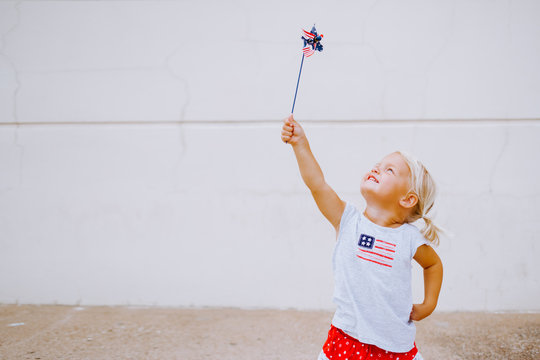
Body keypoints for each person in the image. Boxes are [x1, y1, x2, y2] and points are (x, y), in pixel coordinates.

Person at [280, 115, 443, 360]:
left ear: (408, 199)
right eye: (378, 164)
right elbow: (317, 184)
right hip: (348, 337)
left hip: (394, 346)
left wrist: (429, 304)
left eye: (389, 170)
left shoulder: (409, 237)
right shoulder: (348, 220)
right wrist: (300, 143)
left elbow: (433, 264)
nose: (376, 168)